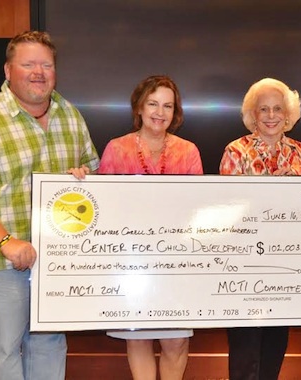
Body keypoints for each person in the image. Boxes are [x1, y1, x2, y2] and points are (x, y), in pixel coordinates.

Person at [0, 31, 100, 380]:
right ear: (8, 70)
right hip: (2, 264)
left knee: (50, 344)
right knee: (4, 353)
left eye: (46, 64)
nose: (38, 72)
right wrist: (6, 242)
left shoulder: (70, 116)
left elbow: (93, 167)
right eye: (28, 64)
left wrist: (84, 175)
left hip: (57, 263)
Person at [98, 75, 202, 380]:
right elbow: (105, 207)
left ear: (175, 112)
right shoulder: (116, 149)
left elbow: (197, 209)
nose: (160, 112)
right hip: (132, 263)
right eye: (153, 103)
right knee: (138, 337)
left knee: (176, 340)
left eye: (168, 105)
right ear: (139, 107)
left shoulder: (189, 152)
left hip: (177, 263)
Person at [219, 77, 301, 380]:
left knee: (274, 347)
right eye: (264, 109)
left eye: (277, 109)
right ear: (253, 115)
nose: (271, 116)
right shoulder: (236, 152)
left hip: (284, 269)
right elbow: (227, 212)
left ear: (288, 115)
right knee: (244, 351)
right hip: (243, 269)